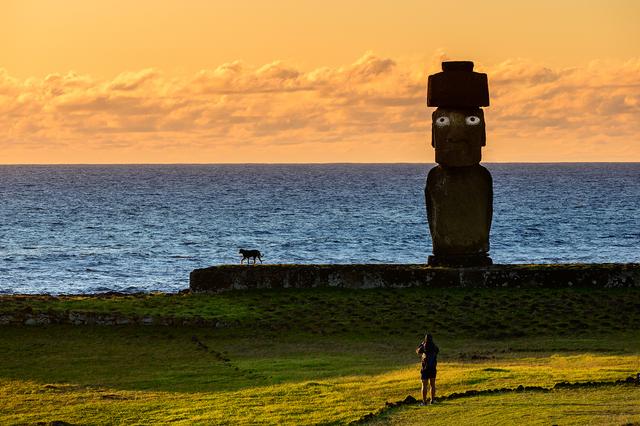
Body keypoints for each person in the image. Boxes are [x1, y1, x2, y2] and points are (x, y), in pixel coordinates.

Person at [416, 333, 439, 405]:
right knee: (432, 385)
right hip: (433, 368)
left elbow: (417, 351)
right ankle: (432, 400)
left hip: (425, 368)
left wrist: (421, 344)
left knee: (424, 385)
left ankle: (424, 401)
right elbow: (437, 351)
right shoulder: (434, 347)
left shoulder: (423, 347)